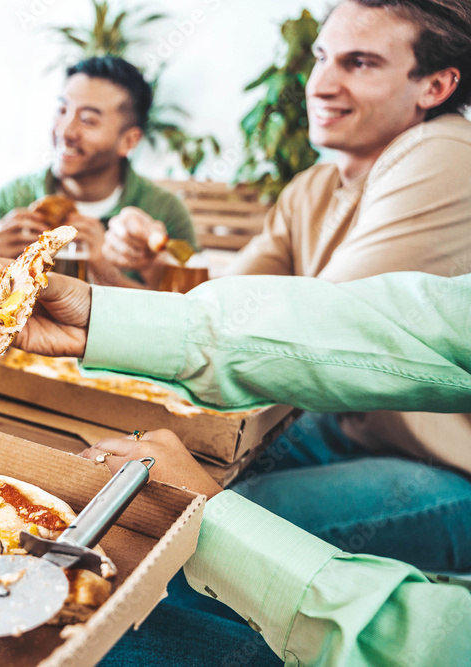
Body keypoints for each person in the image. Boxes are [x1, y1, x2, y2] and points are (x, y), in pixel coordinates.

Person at [108, 0, 471, 571]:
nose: (321, 83)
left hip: (443, 471)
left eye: (360, 63)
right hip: (338, 433)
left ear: (436, 85)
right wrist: (151, 263)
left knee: (178, 529)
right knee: (132, 484)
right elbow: (227, 298)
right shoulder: (314, 186)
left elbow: (312, 333)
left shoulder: (447, 151)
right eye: (322, 57)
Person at [7, 267, 471, 665]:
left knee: (94, 627)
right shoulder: (311, 190)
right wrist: (104, 319)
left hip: (448, 470)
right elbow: (414, 324)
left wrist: (214, 521)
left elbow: (430, 644)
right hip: (347, 426)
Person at [0, 56, 198, 288]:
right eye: (62, 110)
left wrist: (105, 269)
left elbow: (188, 309)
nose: (65, 130)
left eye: (88, 120)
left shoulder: (164, 213)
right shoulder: (12, 200)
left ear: (129, 141)